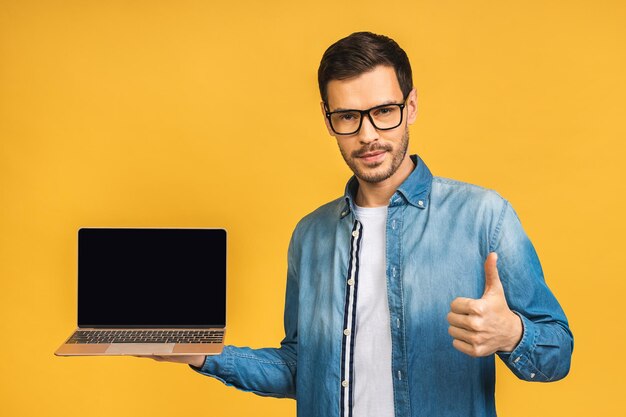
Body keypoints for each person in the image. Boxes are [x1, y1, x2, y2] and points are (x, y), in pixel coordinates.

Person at [148, 32, 573, 417]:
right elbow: (302, 369)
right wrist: (201, 353)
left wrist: (512, 334)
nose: (368, 134)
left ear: (411, 106)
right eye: (348, 116)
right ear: (328, 118)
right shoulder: (310, 235)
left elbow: (558, 352)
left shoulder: (483, 216)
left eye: (384, 111)